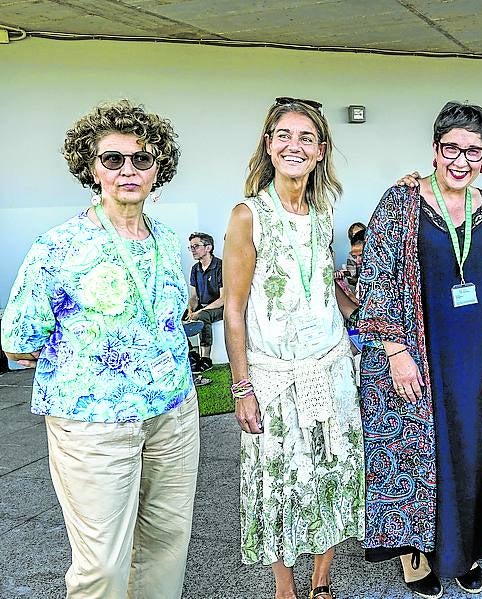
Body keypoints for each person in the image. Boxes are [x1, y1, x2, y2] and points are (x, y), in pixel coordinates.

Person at [1, 99, 198, 598]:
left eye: (142, 159)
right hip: (93, 423)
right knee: (103, 567)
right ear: (91, 167)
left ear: (159, 168)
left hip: (172, 413)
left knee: (166, 548)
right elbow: (19, 341)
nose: (128, 170)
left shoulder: (167, 239)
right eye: (113, 159)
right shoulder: (59, 246)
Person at [358, 101, 482, 598]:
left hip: (477, 354)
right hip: (418, 350)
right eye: (451, 148)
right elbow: (377, 278)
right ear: (435, 150)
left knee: (470, 445)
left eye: (472, 151)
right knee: (418, 449)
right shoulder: (401, 202)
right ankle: (416, 553)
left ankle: (463, 549)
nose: (460, 160)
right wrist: (395, 351)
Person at [223, 97, 365, 599]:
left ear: (321, 150)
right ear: (268, 144)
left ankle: (321, 581)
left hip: (329, 369)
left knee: (334, 472)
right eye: (284, 135)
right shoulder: (248, 215)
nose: (294, 145)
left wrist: (377, 322)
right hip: (274, 376)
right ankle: (285, 588)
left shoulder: (324, 214)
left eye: (307, 138)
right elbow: (234, 309)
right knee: (276, 483)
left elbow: (327, 289)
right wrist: (241, 387)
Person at [186, 231, 224, 366]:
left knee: (202, 316)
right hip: (202, 306)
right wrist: (190, 309)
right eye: (191, 247)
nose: (192, 250)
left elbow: (223, 298)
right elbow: (194, 297)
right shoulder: (195, 269)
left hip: (220, 307)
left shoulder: (220, 266)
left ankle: (206, 359)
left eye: (196, 246)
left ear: (208, 248)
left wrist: (199, 312)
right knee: (177, 316)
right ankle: (191, 354)